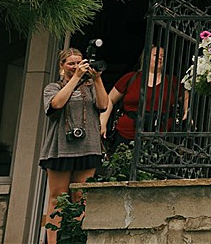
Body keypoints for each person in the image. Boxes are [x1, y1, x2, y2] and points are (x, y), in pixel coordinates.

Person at [40, 47, 109, 244]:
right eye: (71, 63)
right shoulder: (52, 87)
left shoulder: (90, 87)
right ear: (62, 66)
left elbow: (103, 105)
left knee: (81, 196)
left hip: (88, 146)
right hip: (60, 147)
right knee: (57, 197)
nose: (76, 67)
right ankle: (52, 241)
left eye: (79, 62)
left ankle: (78, 239)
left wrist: (96, 79)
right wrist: (75, 78)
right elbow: (56, 104)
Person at [107, 45, 183, 147]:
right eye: (156, 55)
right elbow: (110, 99)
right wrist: (102, 123)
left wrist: (187, 111)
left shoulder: (172, 82)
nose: (160, 58)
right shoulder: (130, 78)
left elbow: (186, 96)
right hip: (127, 132)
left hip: (160, 134)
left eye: (163, 56)